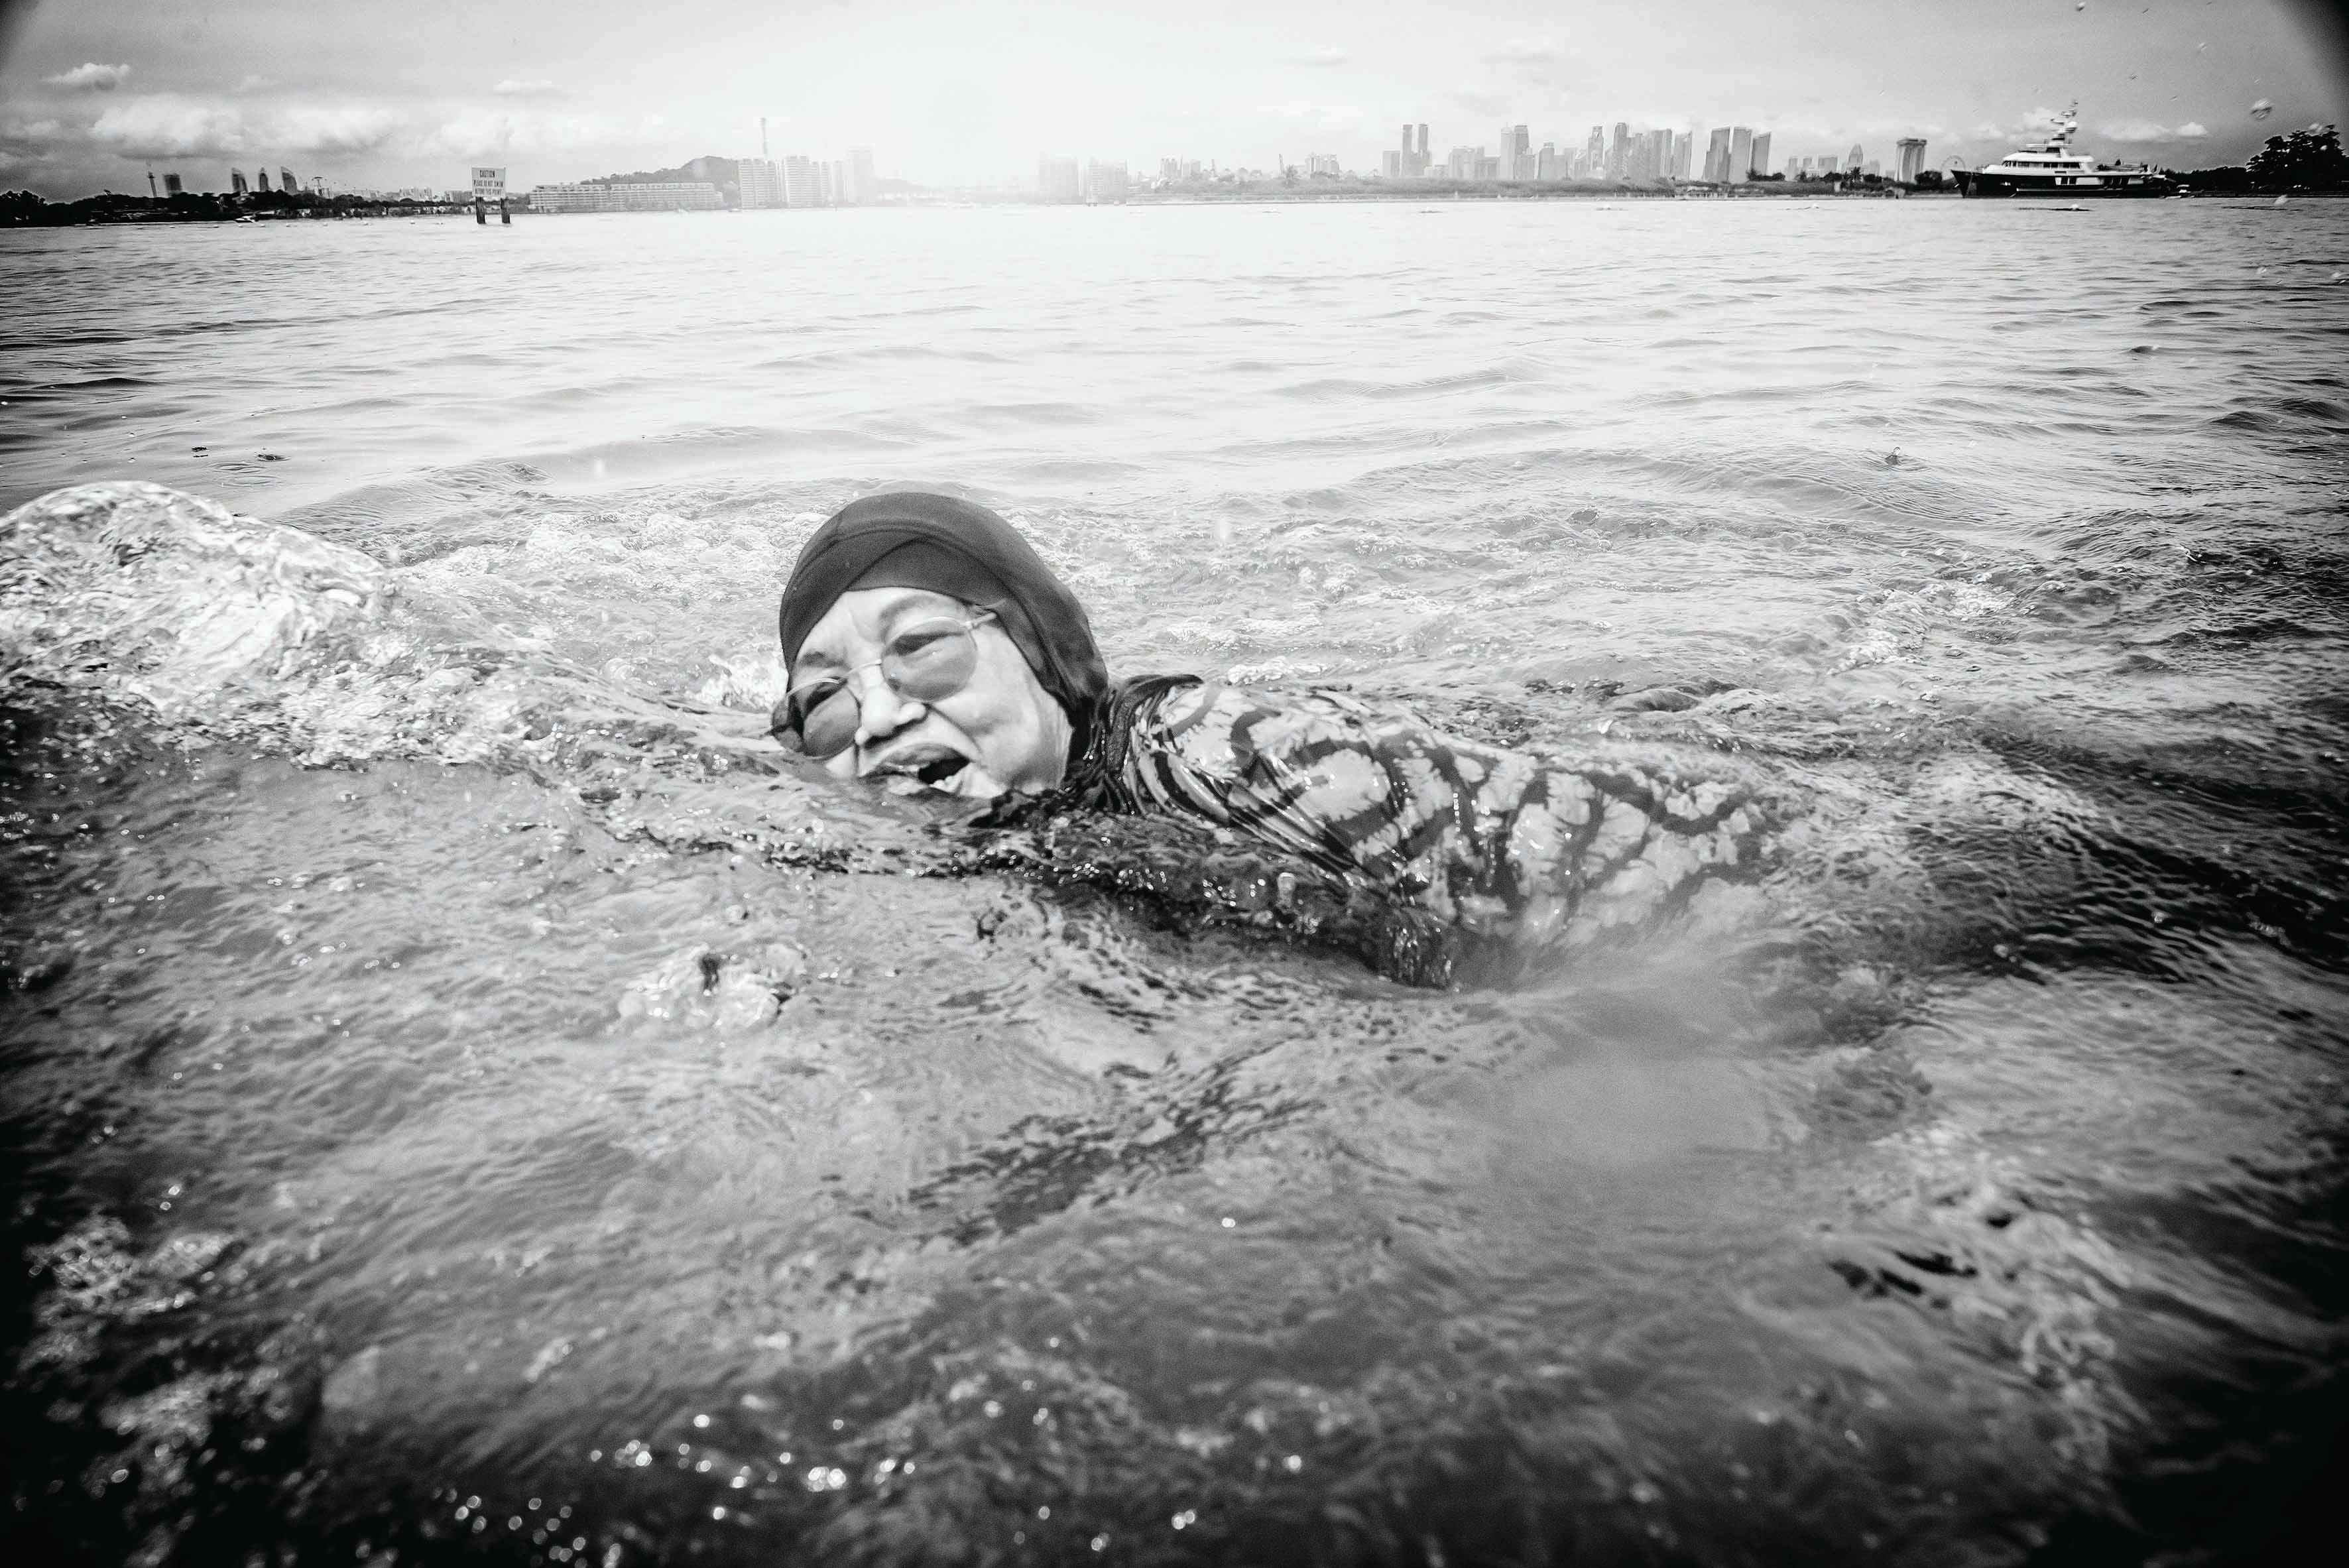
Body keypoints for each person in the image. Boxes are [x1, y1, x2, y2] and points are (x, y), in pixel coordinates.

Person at [775, 492, 1759, 963]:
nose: (882, 714)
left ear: (1038, 648)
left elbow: (1658, 853)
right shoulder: (978, 819)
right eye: (828, 696)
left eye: (922, 648)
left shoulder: (1205, 748)